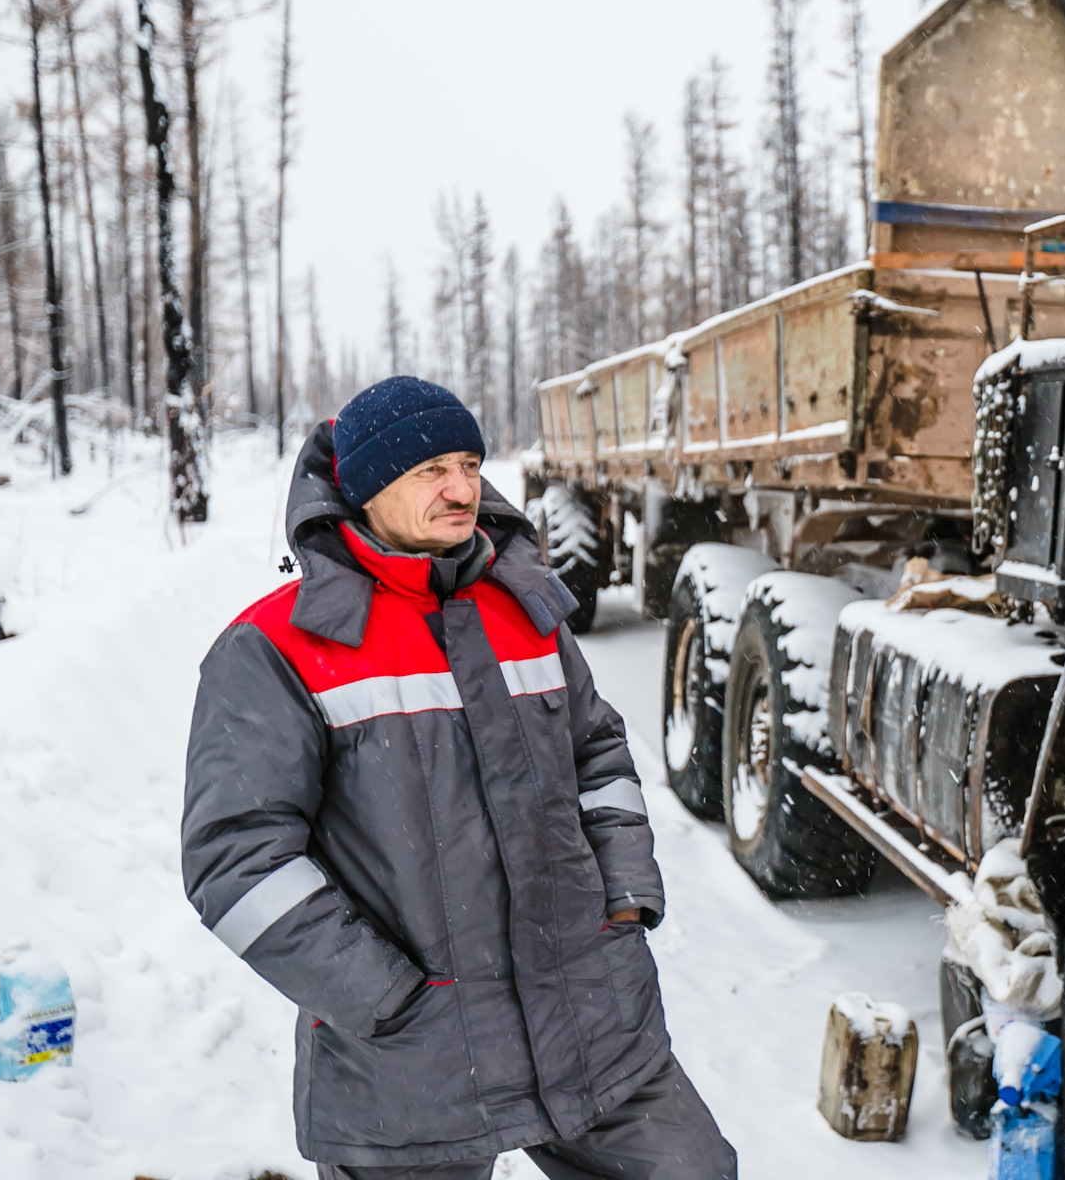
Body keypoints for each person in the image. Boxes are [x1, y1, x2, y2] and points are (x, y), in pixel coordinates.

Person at [181, 377, 735, 1179]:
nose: (463, 488)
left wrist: (622, 897)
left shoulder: (525, 609)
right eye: (432, 468)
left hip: (591, 1018)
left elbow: (600, 755)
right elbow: (238, 862)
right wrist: (384, 996)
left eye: (471, 464)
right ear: (369, 488)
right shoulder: (277, 647)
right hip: (411, 1062)